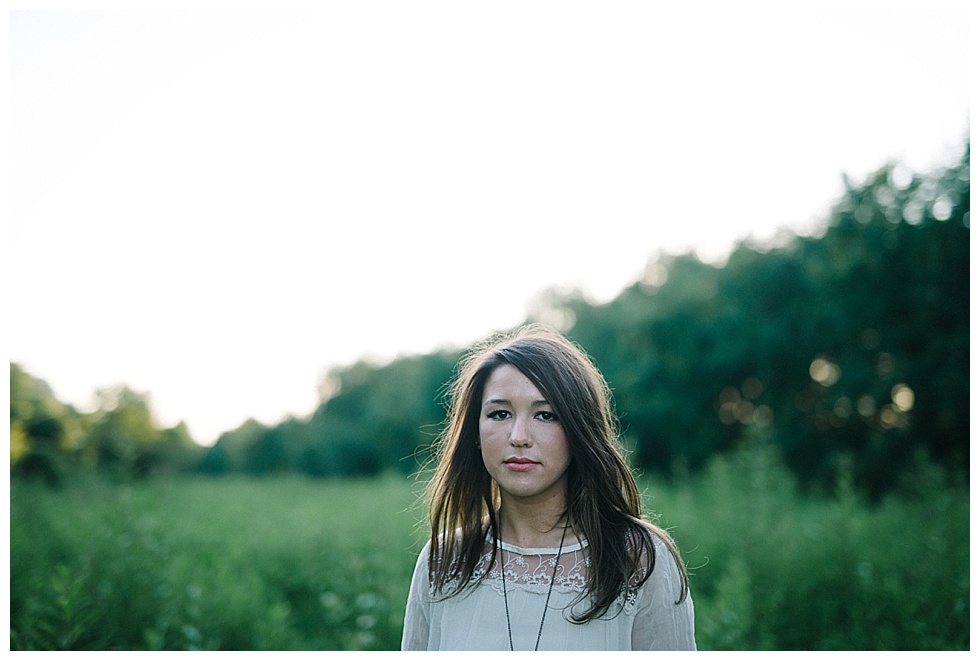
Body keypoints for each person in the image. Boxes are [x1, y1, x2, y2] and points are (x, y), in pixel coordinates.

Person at [401, 325, 696, 651]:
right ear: (475, 432)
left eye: (545, 415)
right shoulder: (443, 561)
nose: (519, 436)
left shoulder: (638, 559)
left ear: (578, 429)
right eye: (500, 414)